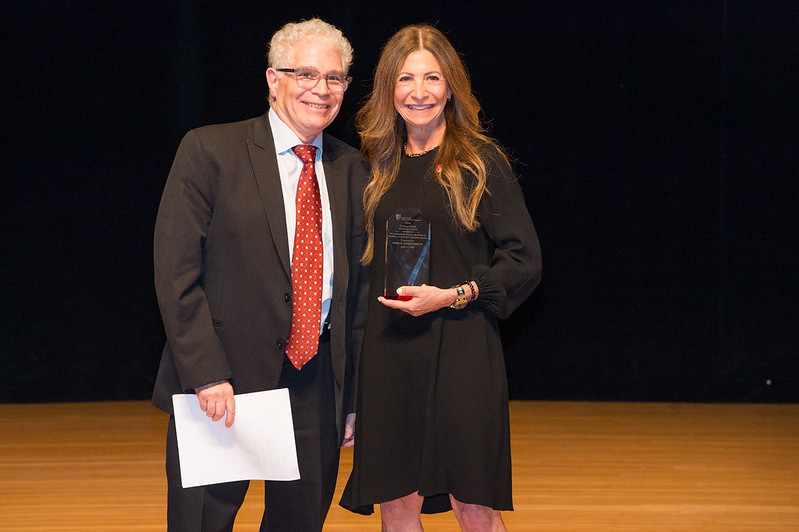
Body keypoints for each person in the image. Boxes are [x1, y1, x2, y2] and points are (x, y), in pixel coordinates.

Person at [151, 18, 368, 532]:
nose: (322, 89)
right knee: (203, 522)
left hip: (316, 385)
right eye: (306, 73)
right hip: (224, 381)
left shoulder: (353, 169)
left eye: (335, 78)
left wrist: (352, 396)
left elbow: (356, 296)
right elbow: (175, 272)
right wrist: (206, 372)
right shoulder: (210, 151)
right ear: (273, 79)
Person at [339, 24, 542, 531]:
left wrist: (455, 294)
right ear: (390, 89)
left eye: (433, 78)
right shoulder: (372, 166)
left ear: (451, 87)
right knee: (396, 503)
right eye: (406, 78)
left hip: (463, 347)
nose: (420, 91)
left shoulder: (480, 162)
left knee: (473, 505)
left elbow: (524, 259)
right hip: (390, 353)